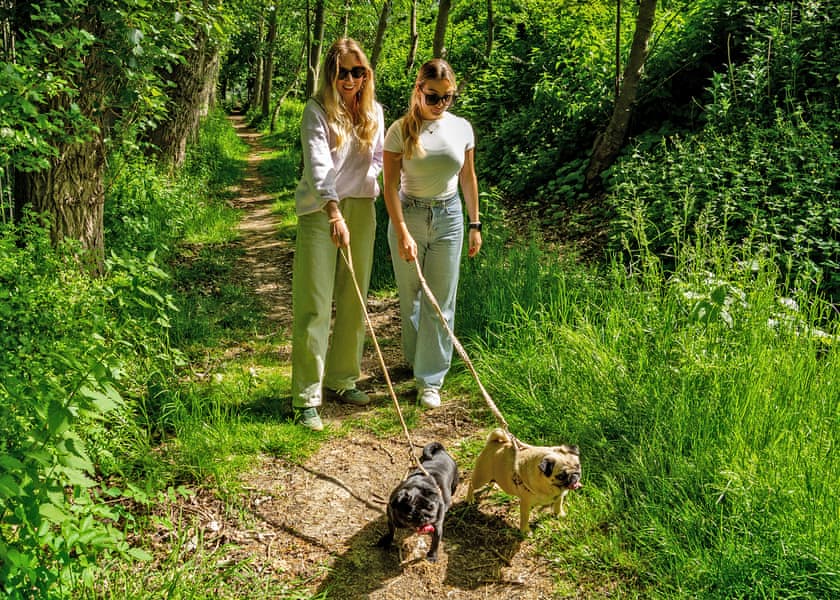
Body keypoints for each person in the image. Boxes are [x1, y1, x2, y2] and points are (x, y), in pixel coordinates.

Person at [291, 38, 384, 430]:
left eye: (357, 72)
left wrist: (366, 182)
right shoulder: (316, 110)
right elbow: (318, 165)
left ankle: (342, 379)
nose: (350, 79)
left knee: (354, 297)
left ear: (366, 75)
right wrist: (333, 211)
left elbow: (379, 158)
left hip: (361, 208)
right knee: (315, 300)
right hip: (320, 209)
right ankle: (306, 396)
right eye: (343, 72)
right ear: (331, 73)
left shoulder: (374, 111)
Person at [382, 58, 482, 409]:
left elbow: (468, 177)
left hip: (449, 217)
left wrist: (475, 223)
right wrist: (402, 232)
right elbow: (389, 187)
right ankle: (415, 360)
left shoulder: (462, 128)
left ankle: (430, 380)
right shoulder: (399, 130)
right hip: (409, 214)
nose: (440, 104)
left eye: (447, 97)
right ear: (419, 91)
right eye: (433, 96)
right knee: (411, 296)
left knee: (440, 301)